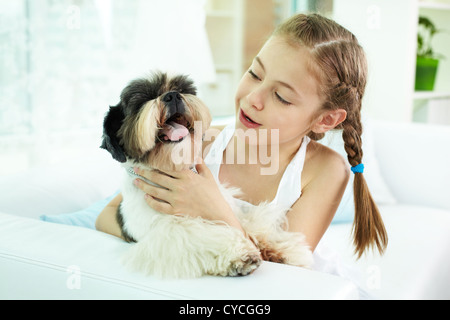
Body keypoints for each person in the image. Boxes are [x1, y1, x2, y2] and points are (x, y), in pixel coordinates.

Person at [96, 13, 387, 262]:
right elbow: (108, 215)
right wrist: (162, 237)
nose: (253, 98)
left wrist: (214, 210)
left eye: (282, 97)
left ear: (325, 119)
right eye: (255, 74)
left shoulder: (325, 171)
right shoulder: (198, 143)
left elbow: (282, 267)